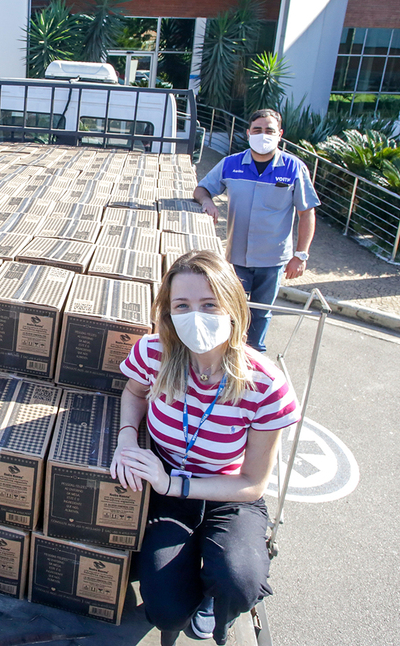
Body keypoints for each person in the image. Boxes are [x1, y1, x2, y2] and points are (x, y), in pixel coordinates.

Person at [111, 250, 300, 645]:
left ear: (232, 307)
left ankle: (220, 605)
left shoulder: (265, 386)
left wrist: (172, 484)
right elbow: (133, 393)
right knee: (165, 610)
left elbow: (252, 483)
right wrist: (127, 436)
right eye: (183, 305)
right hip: (170, 492)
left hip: (227, 491)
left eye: (209, 304)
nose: (195, 316)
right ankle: (191, 591)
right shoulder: (154, 352)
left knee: (239, 578)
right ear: (168, 312)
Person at [192, 109, 319, 352]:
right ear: (248, 132)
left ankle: (254, 357)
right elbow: (201, 189)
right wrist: (207, 202)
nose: (263, 135)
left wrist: (300, 256)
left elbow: (307, 213)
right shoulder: (231, 164)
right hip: (236, 257)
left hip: (272, 260)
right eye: (258, 130)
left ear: (280, 134)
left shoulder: (294, 168)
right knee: (229, 310)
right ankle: (224, 353)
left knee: (261, 312)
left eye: (269, 130)